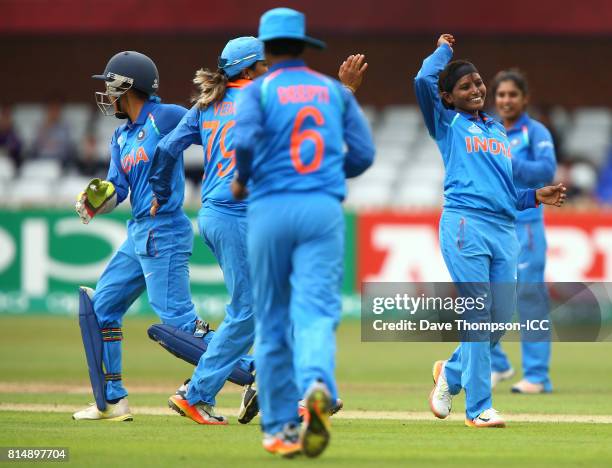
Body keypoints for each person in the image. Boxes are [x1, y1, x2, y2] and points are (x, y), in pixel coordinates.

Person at [232, 7, 375, 458]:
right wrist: (332, 168)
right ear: (303, 45)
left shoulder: (258, 91)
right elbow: (365, 155)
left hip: (271, 207)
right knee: (316, 313)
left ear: (266, 48)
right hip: (322, 209)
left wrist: (242, 177)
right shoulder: (335, 92)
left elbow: (246, 143)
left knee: (272, 321)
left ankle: (279, 429)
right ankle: (315, 384)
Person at [414, 34, 566, 428]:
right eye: (464, 86)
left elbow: (504, 194)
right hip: (466, 225)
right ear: (447, 98)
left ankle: (450, 373)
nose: (476, 89)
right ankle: (479, 408)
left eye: (478, 82)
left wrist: (536, 195)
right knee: (479, 317)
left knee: (500, 317)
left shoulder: (497, 131)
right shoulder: (447, 124)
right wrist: (444, 50)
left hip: (504, 229)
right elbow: (421, 81)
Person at [72, 51, 216, 421]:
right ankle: (112, 400)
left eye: (109, 84)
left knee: (178, 323)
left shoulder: (163, 116)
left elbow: (211, 134)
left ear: (127, 86)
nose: (105, 92)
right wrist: (96, 200)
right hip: (138, 233)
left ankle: (251, 371)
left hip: (164, 229)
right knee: (101, 309)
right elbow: (117, 189)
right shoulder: (121, 138)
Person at [148, 36, 267, 426]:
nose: (269, 70)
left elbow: (166, 149)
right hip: (239, 216)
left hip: (217, 214)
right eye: (263, 65)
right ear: (250, 70)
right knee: (247, 311)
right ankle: (196, 394)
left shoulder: (205, 105)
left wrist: (161, 193)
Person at [489, 70, 557, 394]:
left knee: (530, 298)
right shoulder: (486, 129)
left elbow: (546, 170)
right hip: (492, 223)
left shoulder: (534, 131)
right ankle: (498, 363)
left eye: (512, 94)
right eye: (500, 95)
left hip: (526, 226)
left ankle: (537, 375)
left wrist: (506, 162)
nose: (506, 100)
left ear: (524, 98)